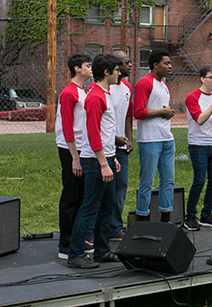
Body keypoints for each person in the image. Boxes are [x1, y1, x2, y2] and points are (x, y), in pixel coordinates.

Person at [68, 54, 122, 268]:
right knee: (90, 206)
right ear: (107, 72)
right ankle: (75, 254)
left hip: (106, 157)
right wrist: (102, 163)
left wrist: (112, 158)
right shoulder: (95, 97)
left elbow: (106, 132)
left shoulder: (105, 93)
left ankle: (102, 250)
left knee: (107, 206)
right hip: (94, 160)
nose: (120, 73)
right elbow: (92, 133)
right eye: (117, 70)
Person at [56, 54, 93, 260]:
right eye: (88, 65)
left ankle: (78, 239)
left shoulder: (83, 91)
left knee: (81, 195)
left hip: (82, 148)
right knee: (70, 195)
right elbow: (67, 127)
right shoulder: (69, 93)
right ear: (77, 68)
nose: (91, 68)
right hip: (71, 149)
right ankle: (66, 244)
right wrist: (74, 158)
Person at [134, 49, 175, 222]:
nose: (170, 66)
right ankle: (142, 218)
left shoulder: (163, 84)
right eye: (166, 63)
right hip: (150, 140)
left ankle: (166, 218)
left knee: (168, 180)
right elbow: (138, 111)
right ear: (155, 65)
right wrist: (162, 112)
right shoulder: (145, 82)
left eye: (170, 63)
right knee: (147, 182)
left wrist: (165, 113)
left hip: (167, 138)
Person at [183, 65, 212, 231]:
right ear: (202, 79)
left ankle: (206, 214)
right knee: (199, 180)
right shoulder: (193, 97)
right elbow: (199, 119)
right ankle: (190, 216)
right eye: (211, 77)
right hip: (198, 143)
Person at [108, 50, 133, 240]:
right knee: (106, 188)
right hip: (106, 146)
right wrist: (113, 138)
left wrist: (128, 138)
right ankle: (100, 227)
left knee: (121, 185)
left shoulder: (127, 87)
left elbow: (127, 115)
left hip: (121, 145)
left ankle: (115, 227)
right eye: (126, 62)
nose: (130, 65)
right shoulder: (103, 88)